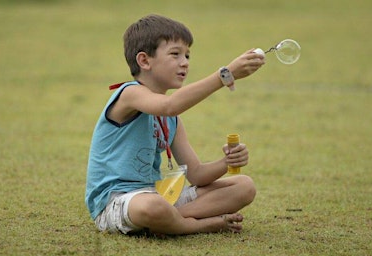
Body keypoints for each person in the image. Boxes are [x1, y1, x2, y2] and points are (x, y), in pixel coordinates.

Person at [85, 14, 265, 235]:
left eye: (187, 55)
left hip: (158, 195)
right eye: (175, 54)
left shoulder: (171, 119)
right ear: (144, 61)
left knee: (244, 186)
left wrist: (227, 162)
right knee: (152, 206)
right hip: (117, 203)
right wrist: (225, 75)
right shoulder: (129, 94)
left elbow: (196, 174)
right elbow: (170, 105)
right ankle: (199, 225)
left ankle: (170, 222)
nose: (185, 62)